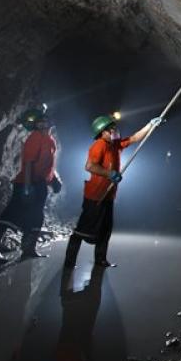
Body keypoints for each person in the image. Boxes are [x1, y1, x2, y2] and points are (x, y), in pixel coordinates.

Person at [63, 113, 162, 268]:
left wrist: (150, 125)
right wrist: (110, 173)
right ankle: (69, 262)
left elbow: (134, 138)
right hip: (95, 195)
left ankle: (100, 260)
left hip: (108, 195)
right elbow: (89, 166)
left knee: (106, 229)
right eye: (111, 128)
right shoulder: (99, 145)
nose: (115, 130)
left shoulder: (115, 144)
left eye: (114, 127)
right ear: (103, 132)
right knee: (83, 230)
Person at [0, 105, 62, 262]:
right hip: (26, 182)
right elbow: (28, 163)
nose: (44, 123)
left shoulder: (51, 141)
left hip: (40, 184)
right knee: (11, 214)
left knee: (36, 216)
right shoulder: (35, 137)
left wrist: (54, 180)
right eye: (41, 121)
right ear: (36, 124)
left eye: (46, 120)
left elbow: (48, 165)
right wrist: (27, 187)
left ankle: (28, 248)